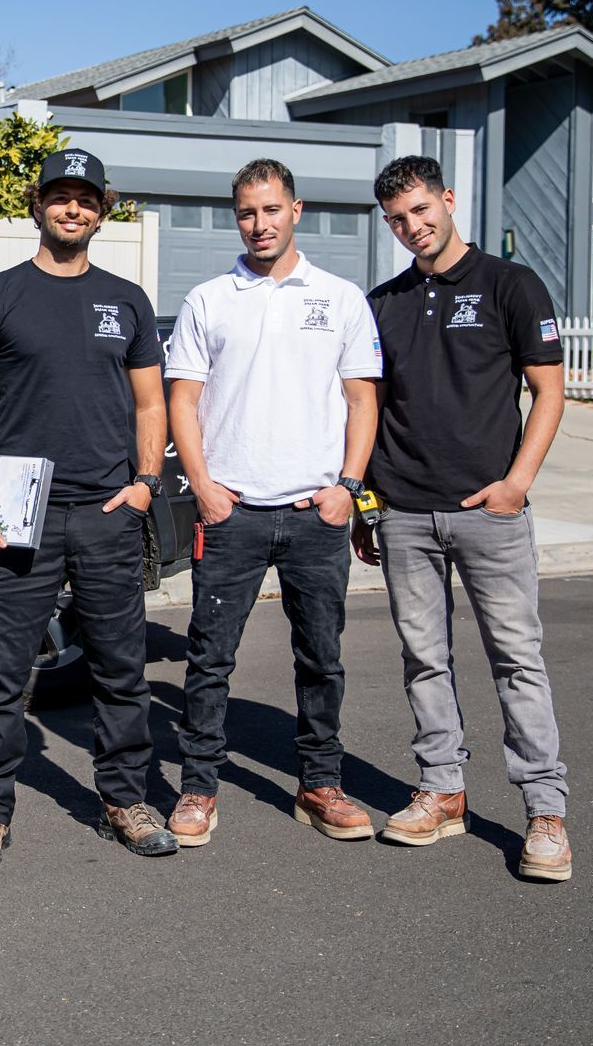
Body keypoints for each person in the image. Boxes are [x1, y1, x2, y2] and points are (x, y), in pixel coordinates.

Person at [0, 147, 176, 866]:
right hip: (19, 514)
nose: (71, 208)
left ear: (101, 208)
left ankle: (124, 800)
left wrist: (144, 483)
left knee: (119, 669)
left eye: (84, 197)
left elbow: (151, 402)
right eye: (58, 196)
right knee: (0, 669)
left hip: (107, 508)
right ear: (35, 204)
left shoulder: (127, 300)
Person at [357, 155, 570, 881]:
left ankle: (545, 813)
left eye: (420, 210)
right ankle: (441, 792)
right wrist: (368, 503)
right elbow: (369, 409)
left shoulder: (509, 285)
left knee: (516, 660)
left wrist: (515, 482)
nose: (412, 227)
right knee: (423, 659)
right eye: (396, 219)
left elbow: (548, 393)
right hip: (405, 513)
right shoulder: (381, 302)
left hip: (489, 512)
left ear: (446, 200)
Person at [163, 157, 382, 847]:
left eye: (270, 210)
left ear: (295, 210)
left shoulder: (341, 297)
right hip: (231, 514)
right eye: (246, 213)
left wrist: (345, 488)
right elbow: (182, 400)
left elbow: (360, 399)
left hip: (313, 514)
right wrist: (201, 486)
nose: (259, 224)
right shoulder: (208, 299)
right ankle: (197, 788)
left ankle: (319, 783)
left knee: (320, 656)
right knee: (208, 658)